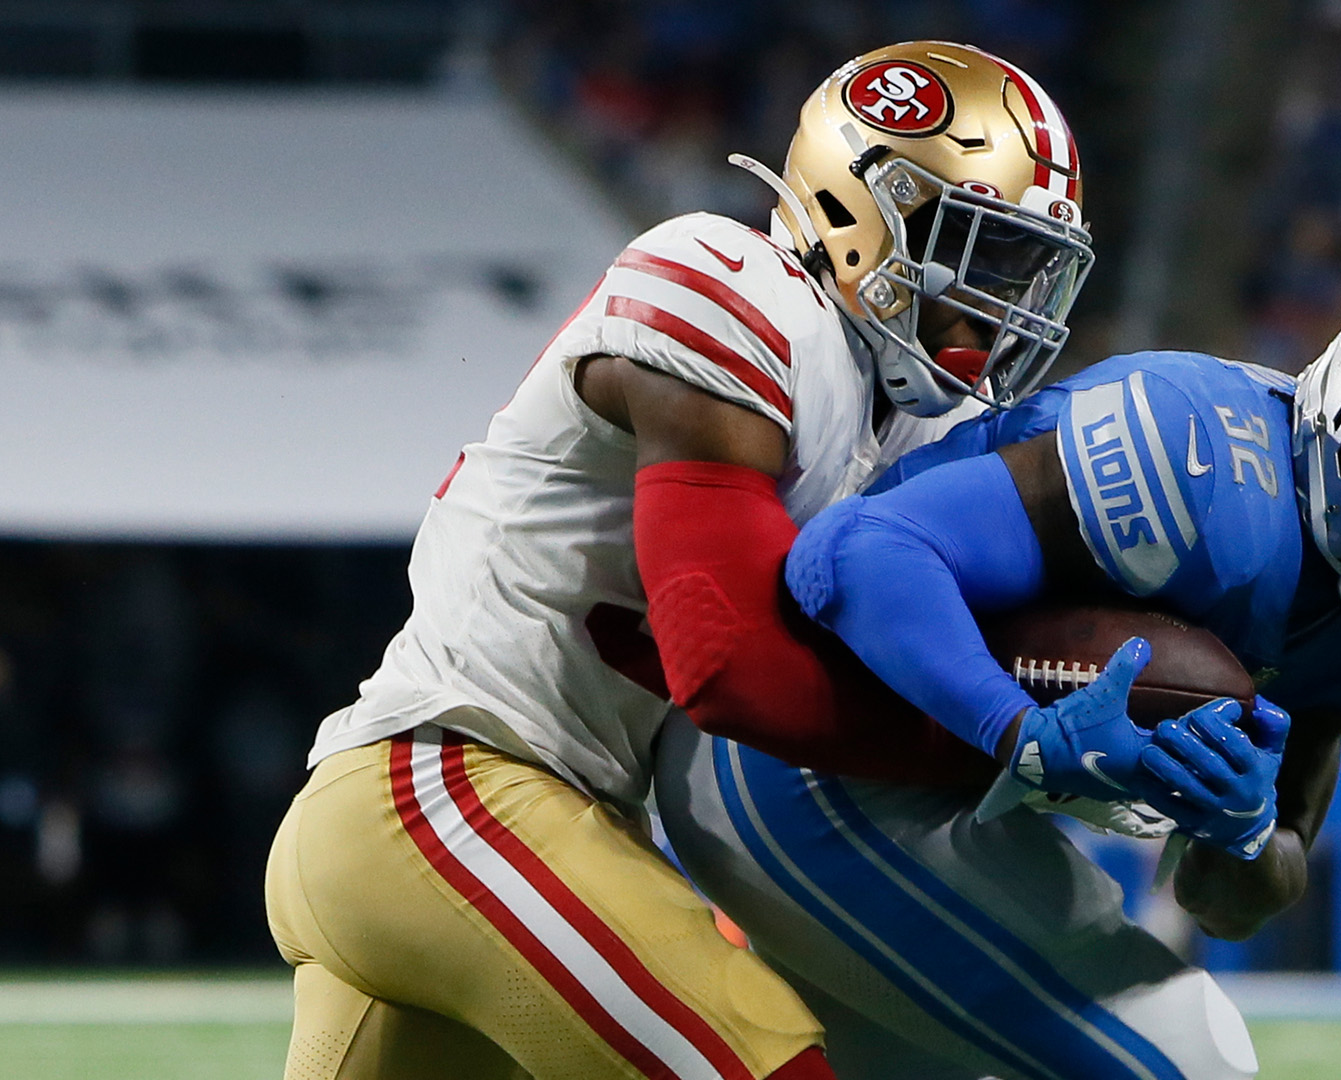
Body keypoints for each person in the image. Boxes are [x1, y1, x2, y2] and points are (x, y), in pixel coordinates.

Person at [263, 41, 1222, 1080]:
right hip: (446, 793)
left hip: (530, 828)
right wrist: (1012, 739)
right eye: (979, 254)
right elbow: (730, 666)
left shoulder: (893, 426)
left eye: (1025, 268)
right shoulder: (730, 288)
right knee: (769, 1061)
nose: (1000, 302)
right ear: (863, 214)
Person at [653, 283, 1341, 1080]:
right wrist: (1016, 732)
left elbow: (1228, 897)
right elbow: (850, 554)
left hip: (930, 791)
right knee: (1186, 1059)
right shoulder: (1195, 462)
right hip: (808, 746)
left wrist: (1240, 833)